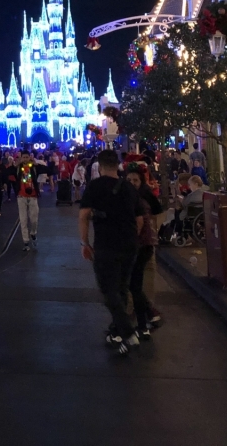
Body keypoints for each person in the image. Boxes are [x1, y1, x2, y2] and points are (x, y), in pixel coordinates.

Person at [79, 149, 144, 356]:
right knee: (122, 288)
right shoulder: (129, 187)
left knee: (109, 290)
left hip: (106, 244)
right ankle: (117, 331)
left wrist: (85, 243)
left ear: (100, 166)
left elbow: (83, 215)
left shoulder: (95, 186)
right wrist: (132, 236)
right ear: (117, 165)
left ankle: (128, 333)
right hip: (129, 244)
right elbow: (140, 219)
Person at [126, 167, 163, 338]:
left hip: (141, 245)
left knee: (134, 283)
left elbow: (147, 218)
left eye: (136, 180)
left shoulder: (141, 198)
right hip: (141, 244)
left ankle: (146, 314)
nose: (132, 183)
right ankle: (145, 319)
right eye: (130, 180)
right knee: (135, 283)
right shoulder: (132, 196)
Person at [17, 151, 39, 251]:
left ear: (29, 157)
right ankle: (26, 241)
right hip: (21, 196)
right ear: (21, 158)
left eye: (27, 157)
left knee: (34, 219)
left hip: (33, 195)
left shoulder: (33, 167)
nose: (25, 159)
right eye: (23, 157)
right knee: (23, 220)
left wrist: (36, 164)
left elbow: (49, 169)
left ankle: (33, 233)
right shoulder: (18, 168)